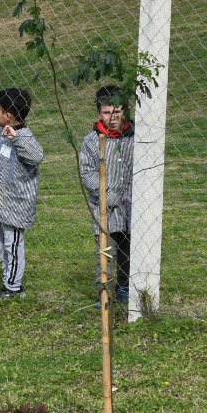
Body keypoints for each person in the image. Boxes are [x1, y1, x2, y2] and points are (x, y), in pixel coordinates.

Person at [0, 87, 44, 300]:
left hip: (15, 205)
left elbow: (36, 156)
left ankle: (14, 288)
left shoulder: (25, 137)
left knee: (12, 243)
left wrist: (16, 139)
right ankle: (8, 278)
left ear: (9, 115)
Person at [80, 85, 134, 306]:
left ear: (126, 111)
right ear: (98, 112)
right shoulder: (92, 140)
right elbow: (87, 172)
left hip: (132, 206)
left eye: (118, 112)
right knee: (106, 248)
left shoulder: (136, 138)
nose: (112, 118)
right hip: (105, 207)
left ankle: (126, 287)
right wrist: (106, 194)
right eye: (106, 112)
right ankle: (105, 290)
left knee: (129, 249)